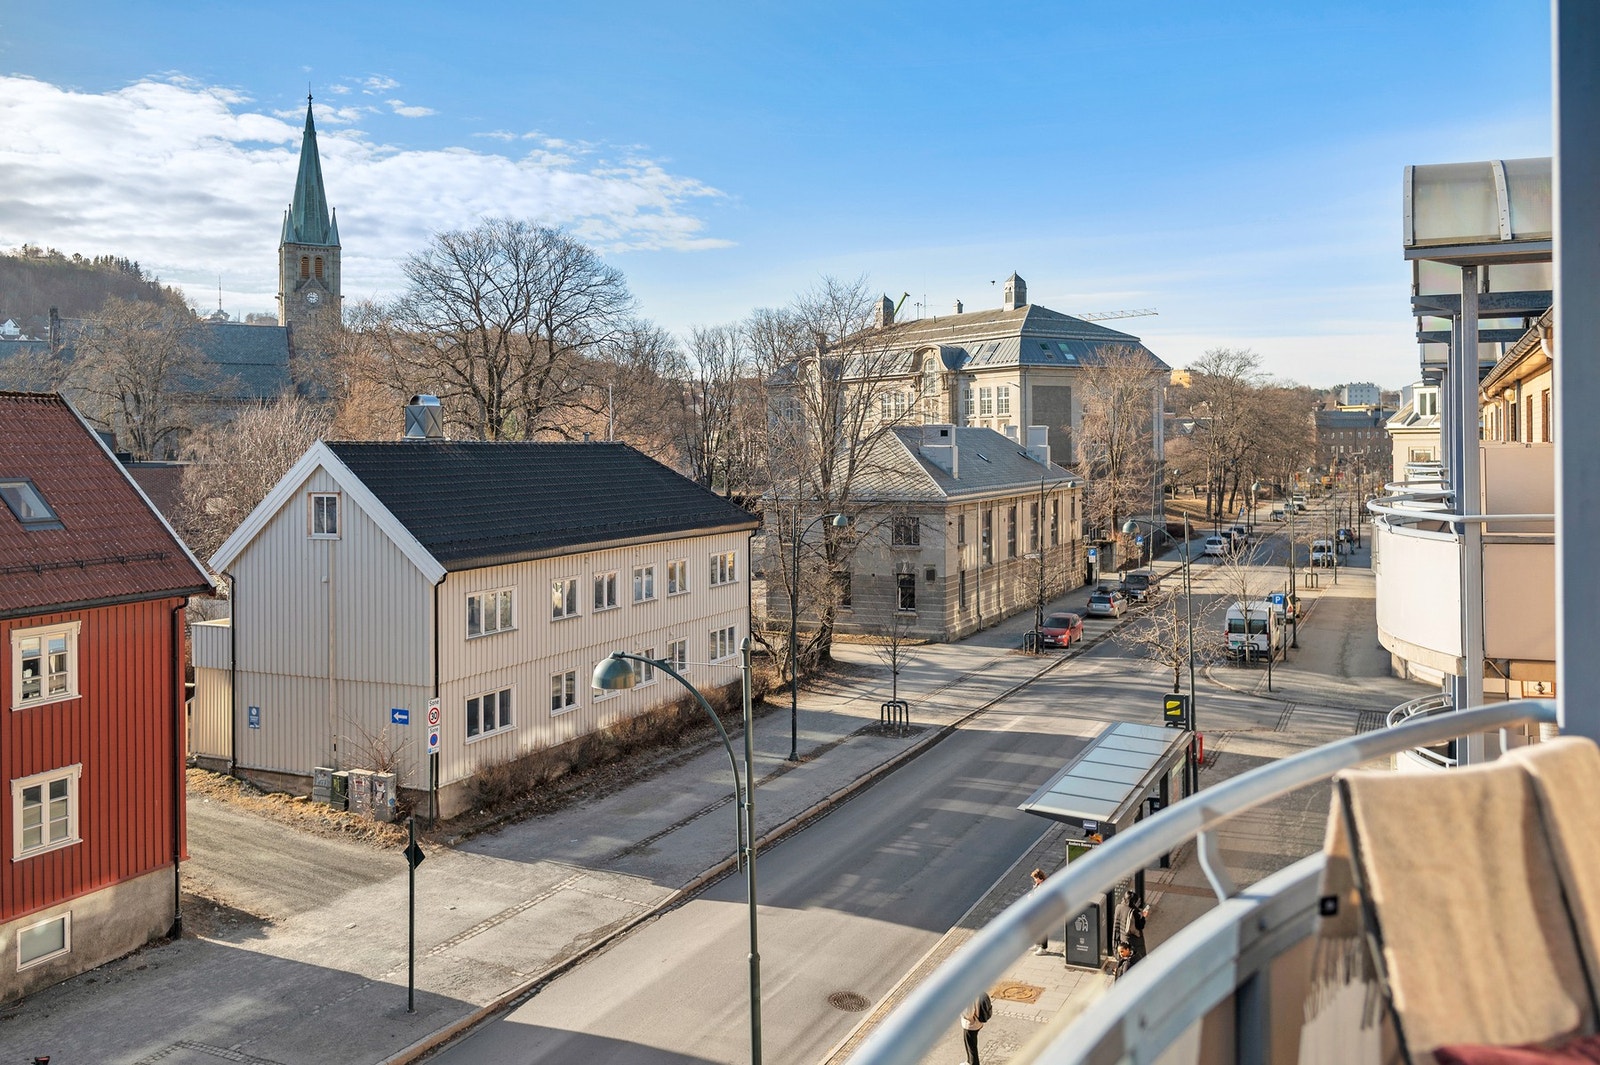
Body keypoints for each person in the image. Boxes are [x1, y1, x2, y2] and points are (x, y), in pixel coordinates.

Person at [960, 991, 992, 1065]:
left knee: (971, 1047)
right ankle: (969, 1061)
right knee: (970, 1045)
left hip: (971, 1025)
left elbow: (968, 1014)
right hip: (978, 1021)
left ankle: (973, 1063)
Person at [1030, 868, 1050, 955]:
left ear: (1040, 878)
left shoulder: (1044, 887)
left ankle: (1043, 948)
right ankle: (1037, 944)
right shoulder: (1038, 885)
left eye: (1035, 878)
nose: (1035, 880)